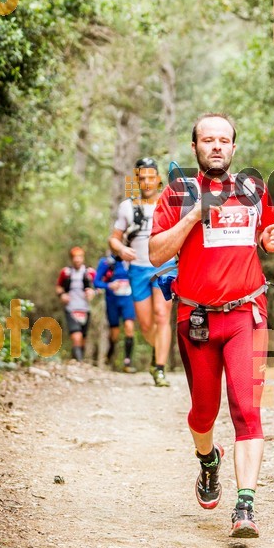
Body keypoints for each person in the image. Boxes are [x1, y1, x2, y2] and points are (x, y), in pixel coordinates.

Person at [149, 113, 274, 538]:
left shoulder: (252, 188)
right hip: (198, 319)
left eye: (223, 140)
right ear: (195, 148)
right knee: (203, 412)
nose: (216, 146)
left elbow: (267, 232)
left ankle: (245, 508)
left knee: (247, 412)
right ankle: (209, 461)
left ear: (233, 147)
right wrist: (191, 217)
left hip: (247, 314)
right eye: (208, 140)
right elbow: (155, 254)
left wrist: (270, 240)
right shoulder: (177, 193)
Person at [109, 157, 176, 387]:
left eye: (151, 177)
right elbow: (114, 240)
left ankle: (159, 368)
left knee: (161, 315)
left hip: (165, 266)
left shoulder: (169, 204)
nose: (147, 182)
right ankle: (159, 348)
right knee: (146, 325)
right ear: (137, 180)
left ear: (158, 179)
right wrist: (121, 249)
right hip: (138, 269)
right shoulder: (127, 207)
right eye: (142, 178)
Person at [93, 252, 137, 373]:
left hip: (127, 299)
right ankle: (110, 356)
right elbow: (96, 282)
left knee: (129, 327)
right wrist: (109, 285)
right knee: (115, 333)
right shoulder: (106, 262)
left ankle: (127, 362)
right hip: (112, 301)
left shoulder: (132, 259)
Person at [56, 246, 96, 362]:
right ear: (71, 259)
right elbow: (58, 287)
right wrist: (62, 295)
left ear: (83, 258)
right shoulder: (66, 273)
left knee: (83, 338)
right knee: (76, 336)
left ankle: (78, 359)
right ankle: (79, 362)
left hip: (85, 309)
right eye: (75, 257)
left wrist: (92, 292)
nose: (77, 260)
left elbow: (98, 285)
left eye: (79, 257)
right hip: (71, 308)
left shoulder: (90, 273)